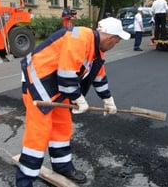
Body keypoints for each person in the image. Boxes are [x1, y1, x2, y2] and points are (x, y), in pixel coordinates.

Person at [16, 17, 131, 187]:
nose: (115, 45)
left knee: (62, 128)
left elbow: (98, 76)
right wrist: (78, 98)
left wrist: (107, 99)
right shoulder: (79, 37)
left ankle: (62, 166)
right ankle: (24, 182)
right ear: (110, 38)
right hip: (38, 84)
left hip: (57, 88)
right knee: (38, 135)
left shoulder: (97, 49)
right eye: (116, 42)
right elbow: (66, 72)